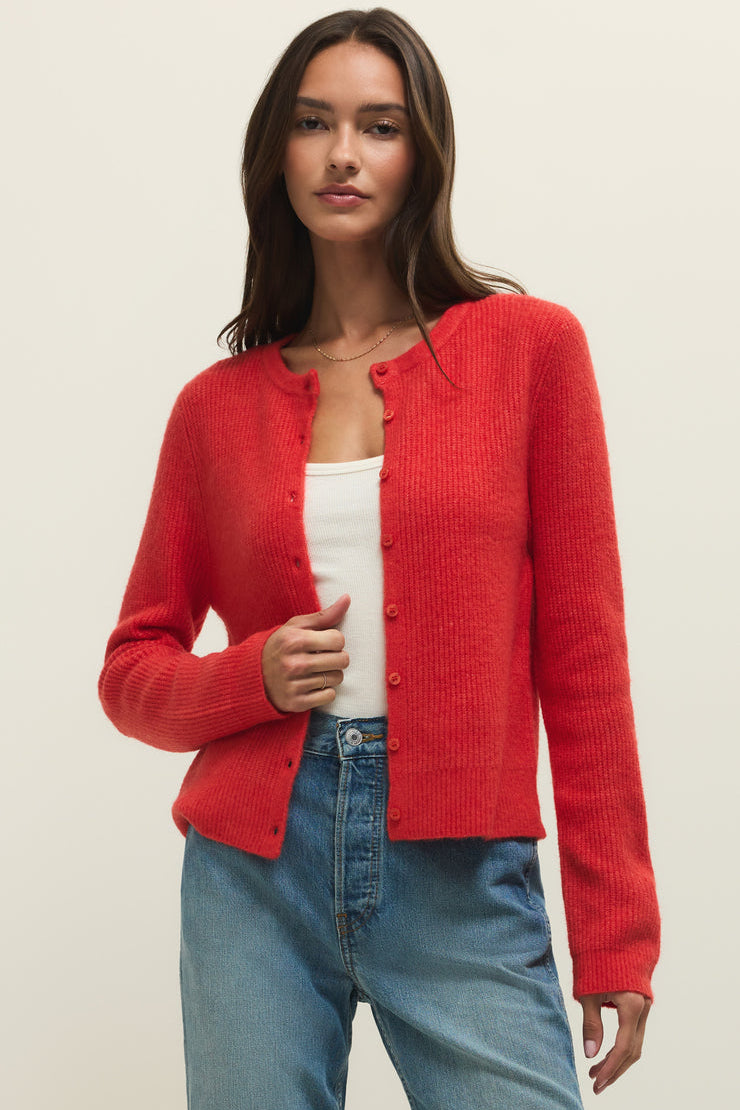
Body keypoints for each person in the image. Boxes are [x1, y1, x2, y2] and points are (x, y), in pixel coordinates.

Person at [98, 8, 660, 1108]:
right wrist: (248, 677)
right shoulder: (214, 410)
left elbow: (585, 659)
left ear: (423, 153)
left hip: (461, 866)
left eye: (380, 126)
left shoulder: (528, 351)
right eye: (314, 123)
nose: (343, 154)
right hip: (253, 872)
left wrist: (615, 933)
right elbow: (130, 671)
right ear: (277, 152)